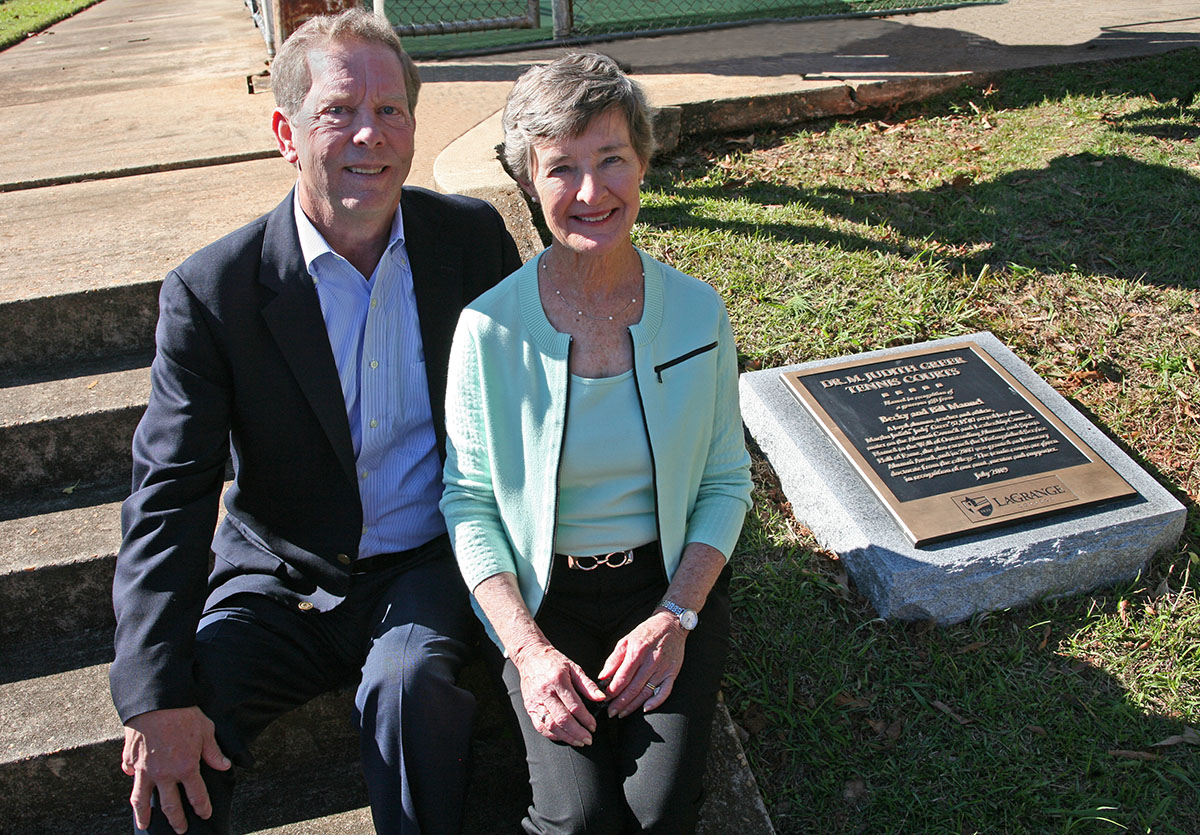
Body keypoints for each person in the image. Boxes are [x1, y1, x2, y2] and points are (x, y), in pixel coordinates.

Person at [109, 9, 521, 835]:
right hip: (280, 574)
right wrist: (153, 695)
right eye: (339, 110)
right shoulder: (214, 292)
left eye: (391, 110)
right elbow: (171, 492)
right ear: (285, 132)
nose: (370, 135)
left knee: (414, 688)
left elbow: (533, 413)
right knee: (179, 735)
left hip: (425, 561)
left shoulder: (470, 242)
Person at [440, 53, 753, 834]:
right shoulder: (487, 328)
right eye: (560, 169)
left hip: (664, 587)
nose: (590, 192)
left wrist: (676, 613)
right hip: (546, 599)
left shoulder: (697, 311)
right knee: (577, 817)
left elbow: (724, 480)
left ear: (642, 162)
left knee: (657, 811)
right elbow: (469, 499)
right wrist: (528, 648)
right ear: (527, 182)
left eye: (611, 158)